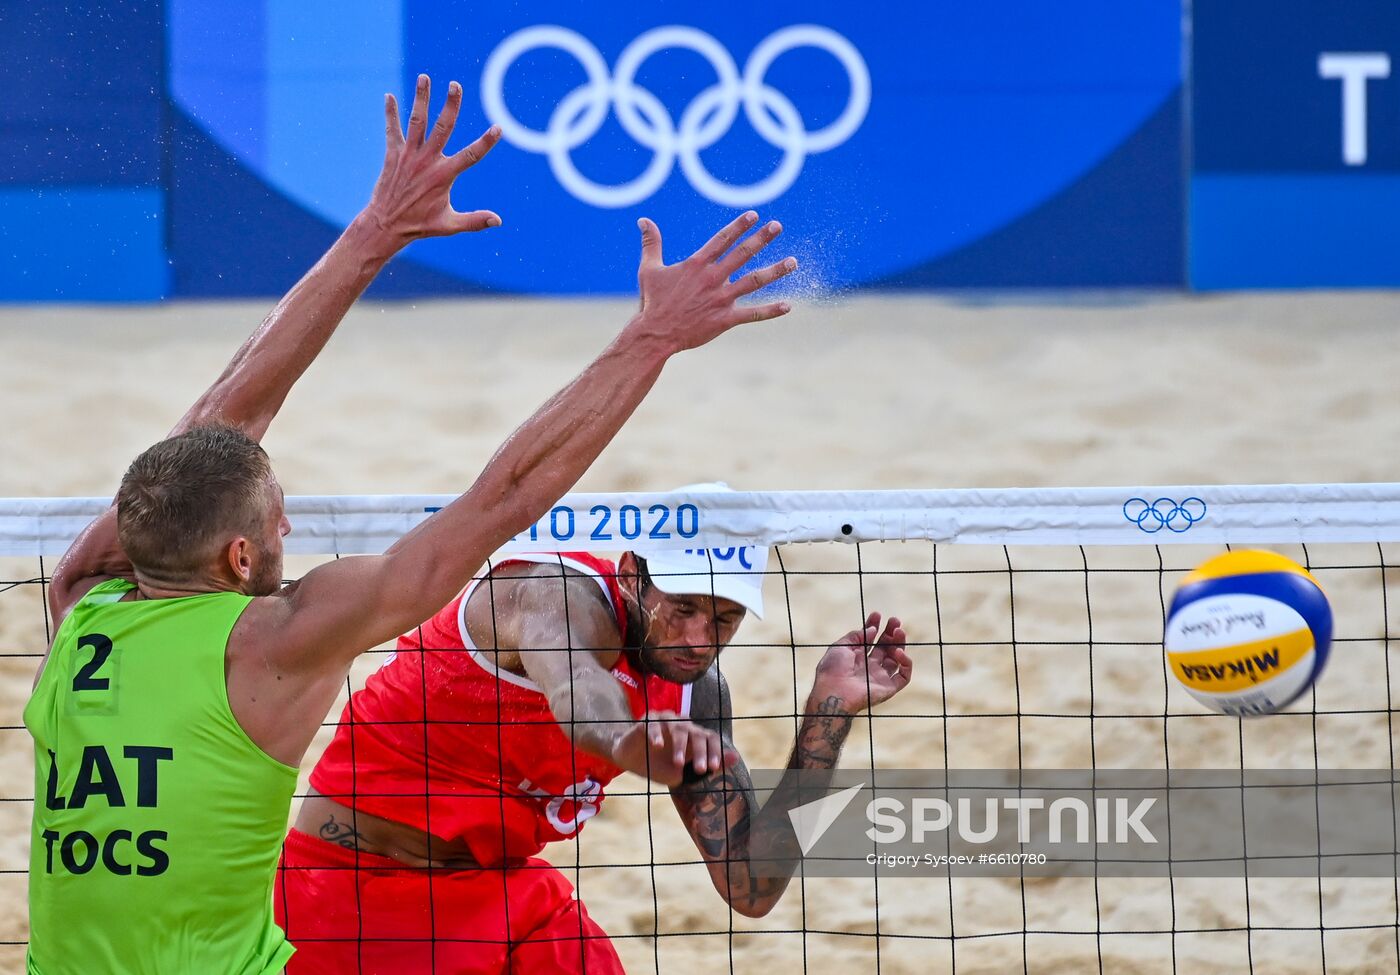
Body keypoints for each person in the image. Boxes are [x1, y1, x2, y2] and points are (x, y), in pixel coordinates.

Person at [25, 68, 799, 975]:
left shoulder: (80, 603)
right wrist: (646, 342)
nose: (288, 528)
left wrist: (372, 233)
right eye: (279, 520)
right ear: (241, 555)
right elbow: (506, 494)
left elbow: (209, 432)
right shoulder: (282, 638)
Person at [277, 485, 914, 974]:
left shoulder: (695, 693)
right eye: (683, 607)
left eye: (722, 620)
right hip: (349, 886)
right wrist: (630, 741)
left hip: (504, 895)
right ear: (633, 575)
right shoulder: (550, 594)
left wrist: (830, 711)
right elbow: (581, 695)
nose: (697, 639)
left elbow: (752, 886)